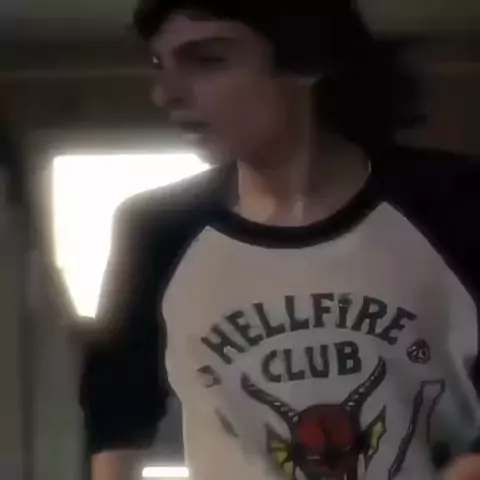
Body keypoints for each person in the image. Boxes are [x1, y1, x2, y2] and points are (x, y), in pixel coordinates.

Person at [80, 1, 480, 480]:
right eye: (159, 65)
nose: (166, 93)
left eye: (207, 60)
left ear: (306, 60)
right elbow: (116, 419)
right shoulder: (156, 230)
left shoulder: (456, 201)